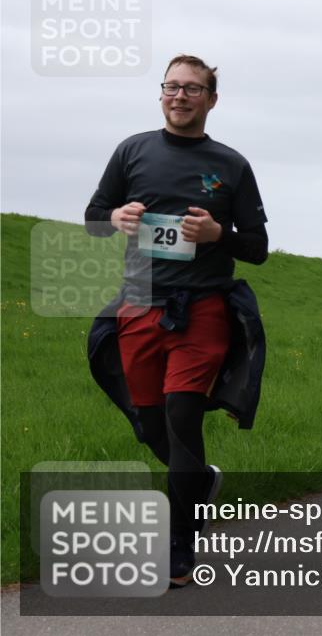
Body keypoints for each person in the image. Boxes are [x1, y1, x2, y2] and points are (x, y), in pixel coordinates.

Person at [84, 54, 268, 587]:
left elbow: (256, 248)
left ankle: (181, 546)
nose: (180, 96)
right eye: (171, 86)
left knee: (182, 417)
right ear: (161, 94)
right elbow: (96, 215)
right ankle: (201, 481)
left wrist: (219, 236)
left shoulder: (231, 165)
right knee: (149, 424)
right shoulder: (132, 150)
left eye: (193, 88)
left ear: (211, 99)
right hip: (139, 304)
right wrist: (115, 217)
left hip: (203, 309)